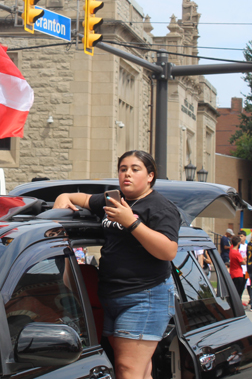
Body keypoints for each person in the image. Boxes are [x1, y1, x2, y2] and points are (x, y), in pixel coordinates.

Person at [53, 150, 180, 379]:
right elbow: (82, 199)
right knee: (139, 370)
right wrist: (64, 197)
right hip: (111, 294)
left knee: (126, 369)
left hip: (145, 295)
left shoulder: (160, 208)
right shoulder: (113, 200)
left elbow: (168, 250)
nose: (127, 174)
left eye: (135, 169)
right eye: (123, 169)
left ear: (150, 176)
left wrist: (131, 222)